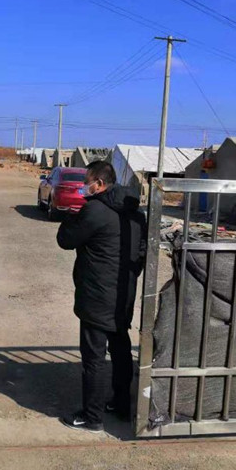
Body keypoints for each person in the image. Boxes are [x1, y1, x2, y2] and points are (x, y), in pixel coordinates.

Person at [56, 161, 146, 432]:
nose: (84, 186)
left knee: (93, 358)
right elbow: (142, 253)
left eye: (87, 181)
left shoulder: (94, 210)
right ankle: (122, 404)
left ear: (100, 184)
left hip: (96, 296)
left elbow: (65, 240)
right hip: (123, 295)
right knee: (120, 351)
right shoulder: (136, 213)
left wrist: (70, 216)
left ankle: (92, 416)